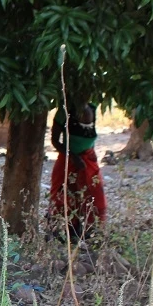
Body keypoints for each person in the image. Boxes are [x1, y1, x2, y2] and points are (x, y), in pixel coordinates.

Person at [49, 101, 106, 241]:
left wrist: (89, 158)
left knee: (94, 194)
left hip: (88, 159)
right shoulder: (65, 111)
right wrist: (73, 157)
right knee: (63, 195)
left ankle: (91, 231)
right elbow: (55, 140)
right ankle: (65, 230)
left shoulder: (93, 108)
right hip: (68, 159)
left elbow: (90, 139)